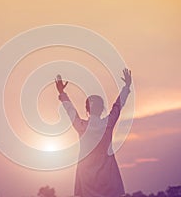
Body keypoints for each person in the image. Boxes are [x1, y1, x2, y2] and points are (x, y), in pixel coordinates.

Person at [55, 69, 132, 197]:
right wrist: (126, 87)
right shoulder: (108, 123)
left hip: (86, 177)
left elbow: (70, 110)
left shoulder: (81, 126)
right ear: (102, 109)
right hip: (108, 175)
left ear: (87, 109)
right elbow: (118, 106)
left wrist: (62, 93)